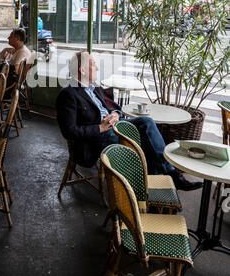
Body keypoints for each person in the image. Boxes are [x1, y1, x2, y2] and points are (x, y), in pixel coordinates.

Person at [56, 51, 203, 191]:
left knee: (146, 122)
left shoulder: (94, 87)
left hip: (114, 126)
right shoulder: (68, 94)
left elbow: (113, 107)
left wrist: (115, 114)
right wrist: (100, 128)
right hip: (95, 140)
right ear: (82, 70)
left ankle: (168, 174)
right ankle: (152, 181)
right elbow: (69, 131)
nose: (97, 68)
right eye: (93, 64)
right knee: (140, 142)